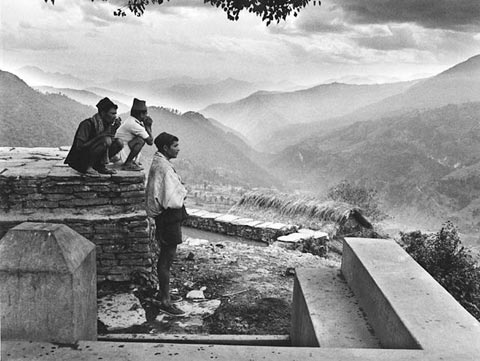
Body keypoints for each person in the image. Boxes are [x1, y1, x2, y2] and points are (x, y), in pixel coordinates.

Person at [145, 132, 188, 316]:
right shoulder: (164, 168)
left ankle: (164, 293)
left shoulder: (160, 163)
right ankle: (165, 301)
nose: (178, 149)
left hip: (167, 217)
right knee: (166, 259)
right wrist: (182, 190)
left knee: (165, 258)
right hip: (168, 217)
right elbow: (172, 197)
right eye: (175, 146)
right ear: (165, 148)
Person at [65, 97, 123, 176]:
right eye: (112, 113)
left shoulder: (106, 124)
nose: (115, 116)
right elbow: (79, 146)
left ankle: (100, 166)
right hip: (80, 159)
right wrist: (100, 137)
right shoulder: (87, 124)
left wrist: (113, 129)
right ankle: (87, 167)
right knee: (106, 141)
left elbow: (109, 140)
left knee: (119, 143)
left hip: (93, 156)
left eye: (115, 114)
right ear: (103, 113)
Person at [115, 98, 153, 171]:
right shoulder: (134, 124)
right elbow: (150, 141)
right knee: (140, 141)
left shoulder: (131, 120)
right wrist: (148, 127)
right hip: (121, 153)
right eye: (146, 114)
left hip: (122, 148)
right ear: (141, 114)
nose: (147, 116)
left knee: (140, 139)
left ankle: (131, 161)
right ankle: (128, 163)